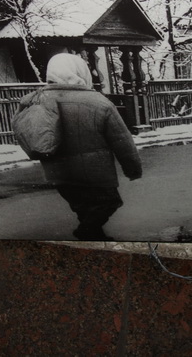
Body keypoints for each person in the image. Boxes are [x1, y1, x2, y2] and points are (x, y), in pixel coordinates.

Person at [26, 52, 142, 241]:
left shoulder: (36, 100)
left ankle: (94, 239)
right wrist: (133, 169)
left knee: (82, 207)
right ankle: (87, 233)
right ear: (81, 72)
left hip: (58, 172)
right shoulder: (98, 102)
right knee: (109, 202)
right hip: (94, 174)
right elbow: (122, 141)